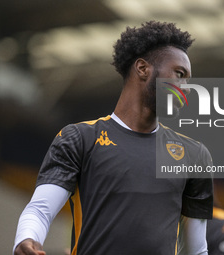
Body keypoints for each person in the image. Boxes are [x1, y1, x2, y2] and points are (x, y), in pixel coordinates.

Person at [13, 21, 213, 255]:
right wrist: (26, 238)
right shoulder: (80, 139)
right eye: (180, 74)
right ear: (142, 68)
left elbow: (197, 250)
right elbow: (40, 210)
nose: (186, 88)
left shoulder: (194, 154)